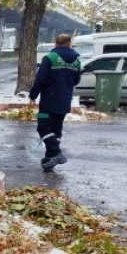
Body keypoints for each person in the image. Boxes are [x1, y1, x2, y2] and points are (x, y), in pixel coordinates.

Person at [28, 33, 81, 171]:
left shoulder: (50, 58)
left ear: (55, 44)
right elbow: (76, 81)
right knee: (55, 131)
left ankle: (56, 153)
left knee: (43, 127)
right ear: (69, 43)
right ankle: (49, 159)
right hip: (64, 103)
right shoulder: (76, 61)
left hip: (48, 103)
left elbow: (40, 80)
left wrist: (33, 95)